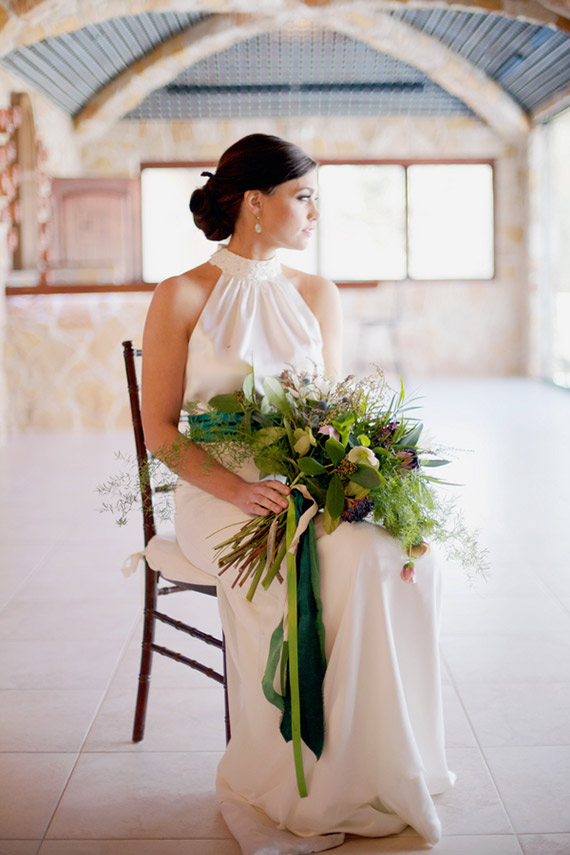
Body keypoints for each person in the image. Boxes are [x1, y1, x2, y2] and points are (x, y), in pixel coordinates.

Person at [141, 133, 454, 855]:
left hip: (304, 479)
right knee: (314, 568)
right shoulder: (183, 293)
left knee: (395, 559)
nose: (315, 213)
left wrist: (367, 480)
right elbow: (161, 429)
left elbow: (333, 413)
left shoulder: (319, 293)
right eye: (303, 197)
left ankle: (376, 763)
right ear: (256, 202)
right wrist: (238, 487)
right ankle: (296, 775)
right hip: (220, 489)